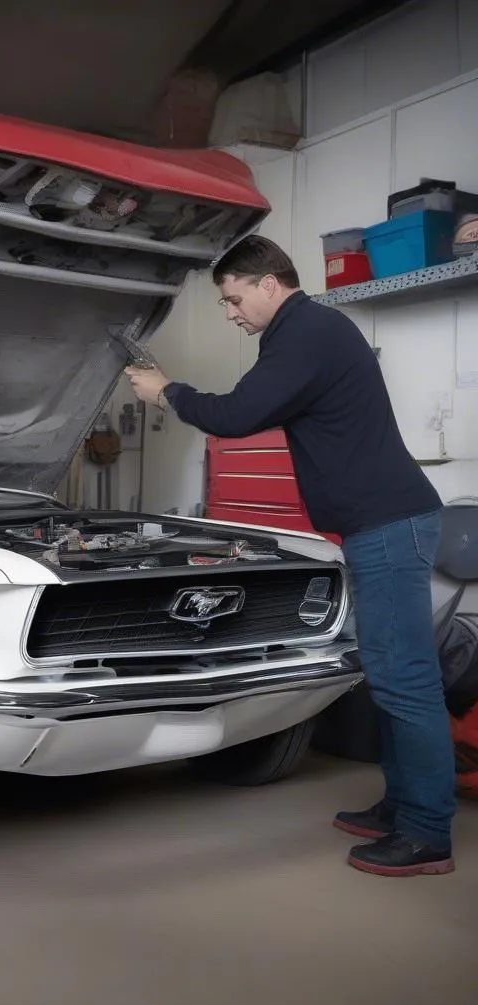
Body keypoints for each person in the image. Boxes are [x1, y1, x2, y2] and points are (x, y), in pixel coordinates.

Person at [125, 234, 457, 877]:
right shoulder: (305, 332)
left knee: (404, 679)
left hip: (388, 526)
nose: (231, 313)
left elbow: (237, 413)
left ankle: (426, 833)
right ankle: (404, 805)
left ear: (268, 284)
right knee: (389, 675)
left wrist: (165, 391)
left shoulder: (307, 332)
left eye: (232, 299)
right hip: (377, 525)